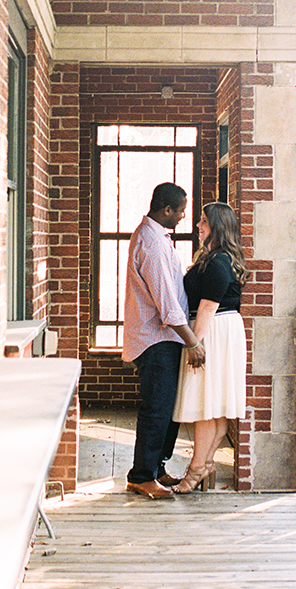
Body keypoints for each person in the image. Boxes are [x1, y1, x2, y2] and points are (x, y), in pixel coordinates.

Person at [122, 182, 206, 499]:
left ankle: (156, 469)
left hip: (163, 338)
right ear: (166, 210)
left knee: (166, 407)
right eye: (181, 210)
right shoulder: (153, 244)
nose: (185, 216)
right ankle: (141, 476)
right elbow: (167, 305)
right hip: (155, 339)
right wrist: (193, 343)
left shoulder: (156, 237)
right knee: (157, 409)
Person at [172, 201, 249, 493]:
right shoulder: (217, 257)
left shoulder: (218, 262)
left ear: (216, 226)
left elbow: (206, 307)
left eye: (203, 221)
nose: (198, 225)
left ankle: (196, 469)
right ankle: (204, 465)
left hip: (213, 330)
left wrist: (194, 343)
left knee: (206, 406)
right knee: (213, 407)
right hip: (221, 329)